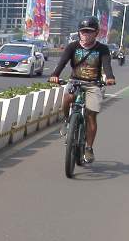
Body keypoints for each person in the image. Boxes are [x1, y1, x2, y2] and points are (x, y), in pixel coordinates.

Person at [48, 17, 118, 164]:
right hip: (75, 81)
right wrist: (55, 75)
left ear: (96, 33)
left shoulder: (102, 49)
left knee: (91, 116)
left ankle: (89, 148)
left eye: (89, 32)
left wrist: (110, 77)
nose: (86, 34)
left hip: (93, 84)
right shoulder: (72, 47)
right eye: (83, 31)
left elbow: (107, 66)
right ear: (79, 33)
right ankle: (67, 121)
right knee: (67, 98)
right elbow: (62, 63)